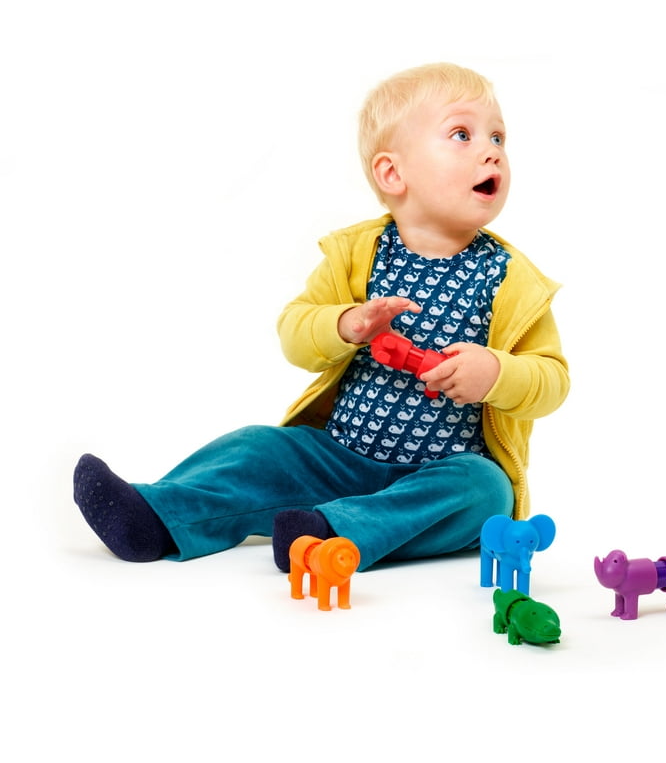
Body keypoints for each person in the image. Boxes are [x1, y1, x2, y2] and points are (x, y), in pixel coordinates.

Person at [73, 62, 570, 572]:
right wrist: (344, 324)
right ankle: (157, 515)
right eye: (462, 134)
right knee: (257, 447)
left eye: (498, 137)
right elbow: (294, 333)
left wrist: (496, 372)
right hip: (336, 456)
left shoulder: (510, 278)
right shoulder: (358, 256)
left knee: (486, 492)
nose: (492, 151)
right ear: (393, 173)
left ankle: (329, 537)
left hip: (440, 474)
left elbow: (552, 379)